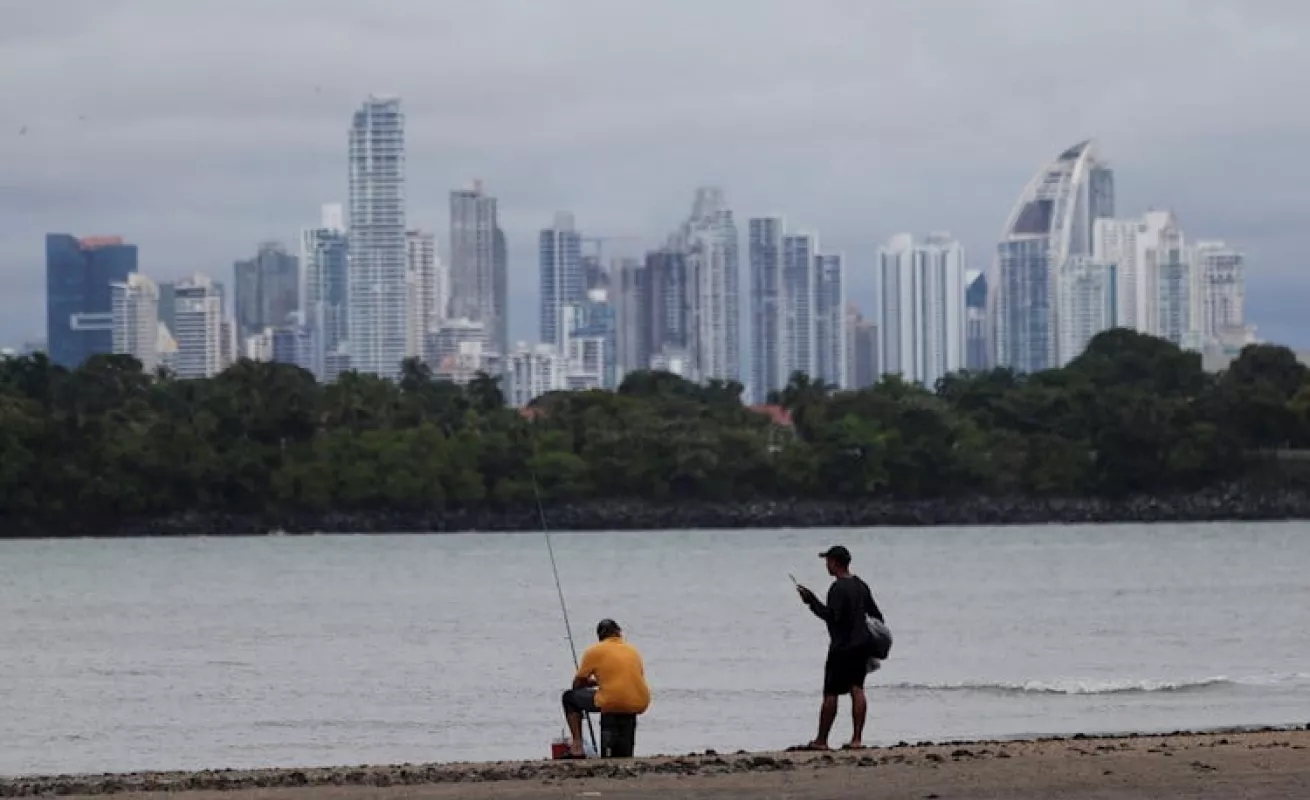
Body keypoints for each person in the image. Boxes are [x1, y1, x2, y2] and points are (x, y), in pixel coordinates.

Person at [794, 545, 885, 750]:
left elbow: (831, 617)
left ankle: (822, 740)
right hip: (861, 646)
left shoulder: (838, 588)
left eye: (828, 561)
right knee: (857, 689)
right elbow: (877, 616)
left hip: (841, 647)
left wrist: (811, 601)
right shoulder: (861, 585)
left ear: (835, 562)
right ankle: (857, 739)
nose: (826, 565)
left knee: (831, 693)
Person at [560, 618, 650, 758]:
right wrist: (601, 681)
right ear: (619, 632)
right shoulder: (633, 651)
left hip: (612, 701)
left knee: (569, 697)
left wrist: (591, 682)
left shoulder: (594, 651)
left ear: (600, 637)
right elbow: (629, 679)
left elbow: (577, 684)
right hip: (638, 702)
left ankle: (577, 747)